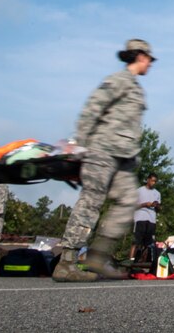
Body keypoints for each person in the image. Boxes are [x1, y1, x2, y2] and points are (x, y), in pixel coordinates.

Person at [52, 39, 155, 283]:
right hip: (101, 151)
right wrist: (78, 145)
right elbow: (92, 109)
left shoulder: (136, 87)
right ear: (140, 56)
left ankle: (97, 257)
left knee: (130, 200)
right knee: (91, 202)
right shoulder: (118, 81)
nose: (151, 64)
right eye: (149, 58)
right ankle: (66, 261)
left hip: (123, 158)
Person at [131, 173, 161, 262]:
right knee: (136, 241)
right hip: (140, 218)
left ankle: (143, 262)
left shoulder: (157, 193)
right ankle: (131, 261)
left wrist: (157, 206)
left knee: (148, 244)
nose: (153, 183)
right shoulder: (139, 191)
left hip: (151, 219)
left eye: (155, 181)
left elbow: (159, 209)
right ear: (147, 180)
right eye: (152, 181)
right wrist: (145, 204)